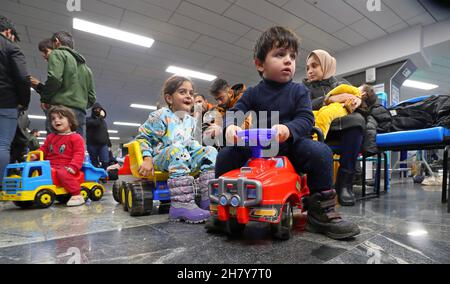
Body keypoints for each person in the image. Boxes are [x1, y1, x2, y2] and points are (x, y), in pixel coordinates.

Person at [216, 26, 360, 240]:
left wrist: (288, 129)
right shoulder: (254, 93)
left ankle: (321, 213)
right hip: (258, 149)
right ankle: (223, 207)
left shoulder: (299, 90)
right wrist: (230, 126)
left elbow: (306, 119)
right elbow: (235, 111)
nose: (288, 61)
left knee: (320, 151)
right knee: (226, 154)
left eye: (292, 56)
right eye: (279, 54)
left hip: (292, 147)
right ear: (259, 64)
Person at [136, 75, 218, 224]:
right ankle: (181, 205)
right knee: (177, 150)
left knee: (210, 151)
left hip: (183, 157)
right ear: (169, 98)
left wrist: (200, 151)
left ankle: (208, 199)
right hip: (162, 158)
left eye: (191, 93)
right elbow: (144, 139)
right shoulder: (160, 116)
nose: (188, 96)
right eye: (182, 92)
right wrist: (147, 159)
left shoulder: (191, 121)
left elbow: (191, 142)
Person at [303, 50, 366, 207]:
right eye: (307, 68)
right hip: (318, 132)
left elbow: (364, 106)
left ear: (326, 66)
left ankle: (345, 184)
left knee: (357, 121)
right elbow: (302, 107)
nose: (310, 71)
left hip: (343, 131)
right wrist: (328, 99)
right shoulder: (303, 89)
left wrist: (357, 102)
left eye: (314, 66)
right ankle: (319, 187)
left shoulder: (341, 84)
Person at [30, 31, 96, 139]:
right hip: (80, 113)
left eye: (45, 52)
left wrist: (45, 98)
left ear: (56, 42)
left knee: (57, 149)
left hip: (60, 111)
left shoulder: (57, 53)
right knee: (78, 149)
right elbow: (92, 97)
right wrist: (79, 104)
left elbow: (55, 79)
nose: (44, 56)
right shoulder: (87, 69)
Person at [30, 106, 86, 207]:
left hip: (66, 166)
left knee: (62, 173)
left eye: (60, 117)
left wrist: (73, 166)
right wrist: (36, 155)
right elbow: (44, 149)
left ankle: (77, 194)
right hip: (49, 165)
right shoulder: (51, 137)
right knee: (33, 169)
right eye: (53, 118)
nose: (56, 120)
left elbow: (79, 154)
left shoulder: (76, 137)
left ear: (70, 121)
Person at [0, 15, 31, 186]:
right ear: (8, 32)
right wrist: (23, 101)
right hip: (5, 102)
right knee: (3, 145)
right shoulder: (11, 48)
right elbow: (22, 77)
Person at [86, 103, 111, 169]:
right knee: (94, 162)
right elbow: (95, 123)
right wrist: (100, 117)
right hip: (92, 144)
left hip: (103, 144)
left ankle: (103, 176)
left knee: (105, 161)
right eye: (96, 109)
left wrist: (109, 144)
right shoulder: (88, 119)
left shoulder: (104, 122)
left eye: (99, 109)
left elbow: (106, 133)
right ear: (93, 110)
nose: (98, 110)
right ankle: (96, 177)